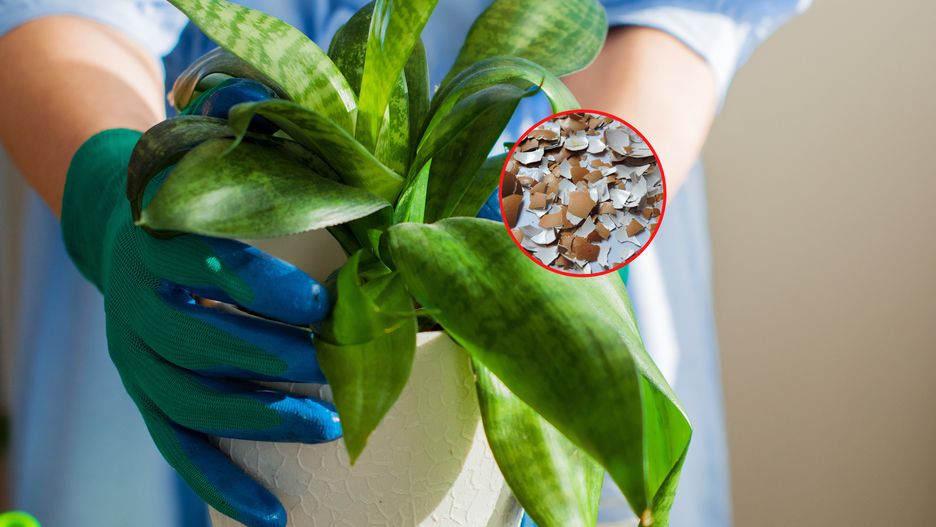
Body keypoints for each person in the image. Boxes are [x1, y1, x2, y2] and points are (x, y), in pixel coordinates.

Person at [0, 1, 809, 526]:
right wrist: (109, 191)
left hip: (556, 165)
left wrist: (583, 214)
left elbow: (674, 17)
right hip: (192, 213)